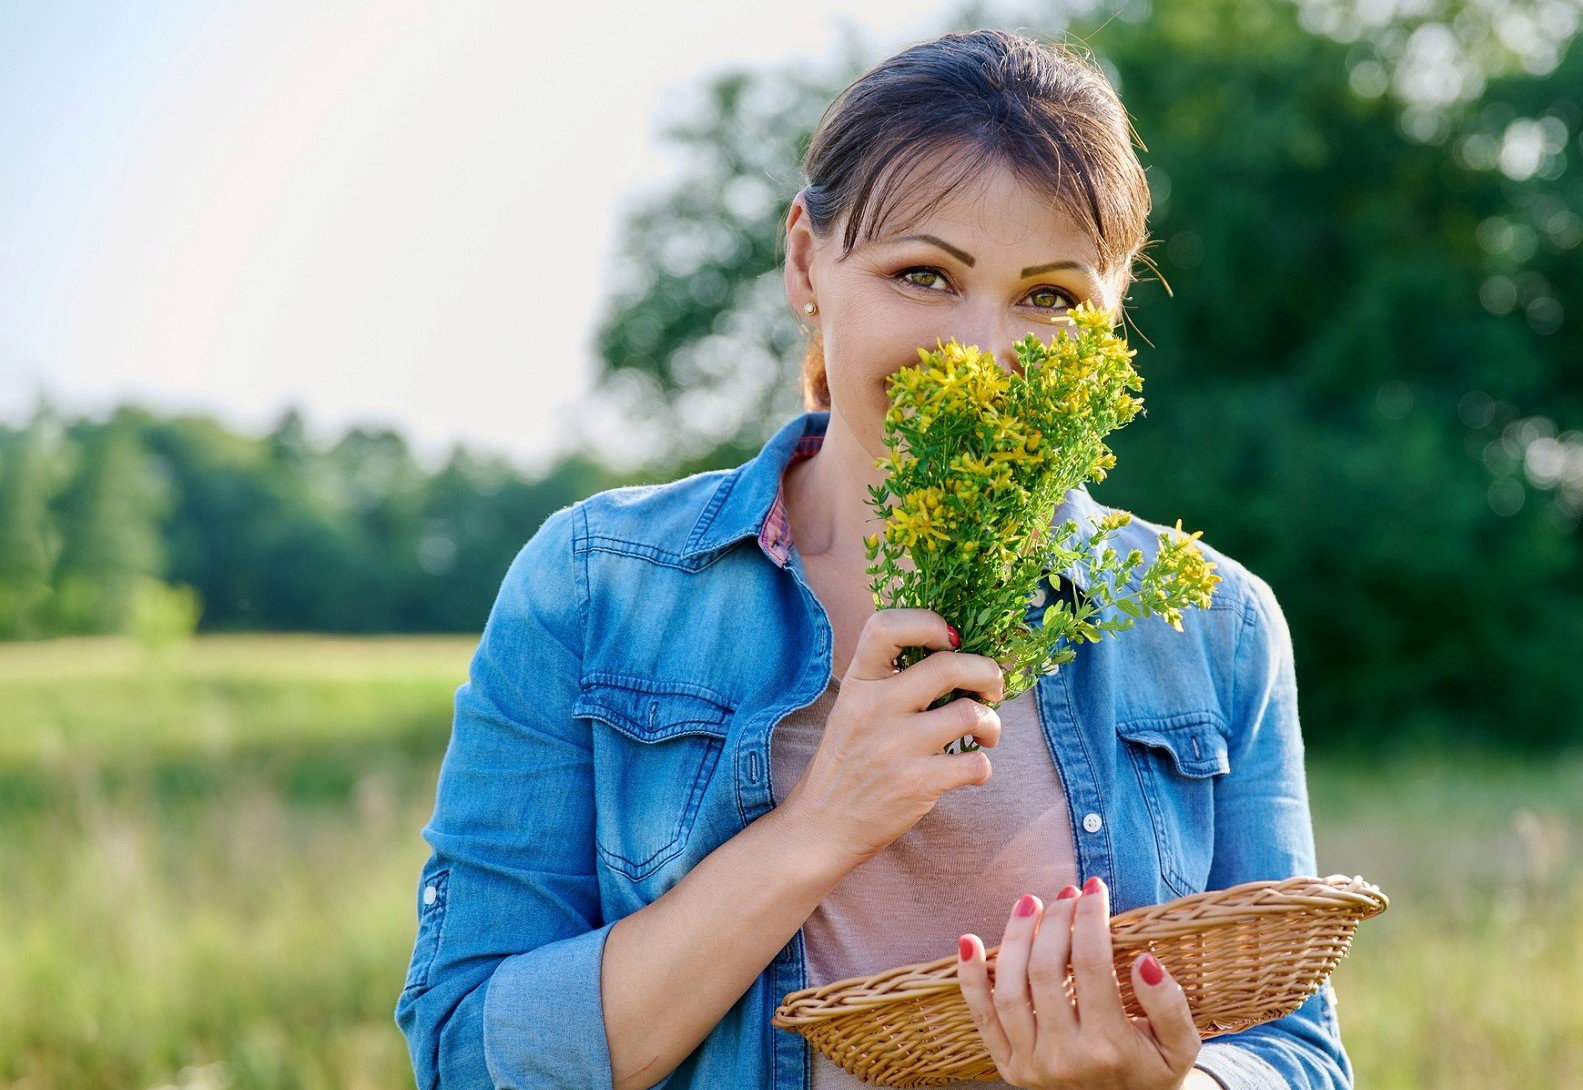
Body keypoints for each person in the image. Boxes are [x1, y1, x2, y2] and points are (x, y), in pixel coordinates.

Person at [395, 27, 1353, 1090]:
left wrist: (1168, 1085)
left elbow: (1296, 1054)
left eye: (1050, 297)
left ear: (1112, 317)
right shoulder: (593, 587)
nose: (983, 356)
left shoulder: (1215, 627)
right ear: (807, 259)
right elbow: (468, 1055)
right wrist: (819, 824)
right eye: (924, 275)